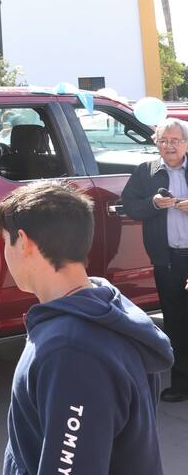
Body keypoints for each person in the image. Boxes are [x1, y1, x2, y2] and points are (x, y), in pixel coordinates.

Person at [0, 180, 172, 474]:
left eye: (5, 241)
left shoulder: (71, 351)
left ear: (24, 242)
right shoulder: (104, 308)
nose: (4, 253)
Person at [120, 116, 188, 401]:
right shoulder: (145, 172)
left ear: (185, 143)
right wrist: (152, 204)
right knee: (175, 320)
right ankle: (183, 383)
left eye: (175, 140)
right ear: (155, 143)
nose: (169, 146)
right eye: (164, 140)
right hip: (168, 260)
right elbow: (129, 206)